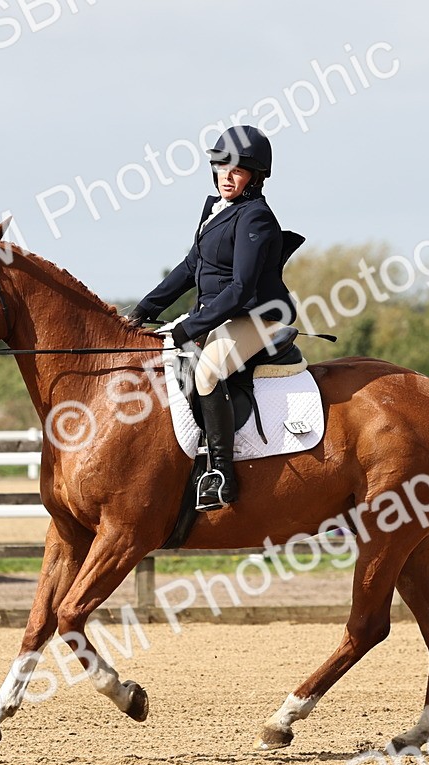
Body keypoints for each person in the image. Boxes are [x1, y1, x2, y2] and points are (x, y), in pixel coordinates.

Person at [125, 125, 301, 511]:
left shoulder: (256, 218)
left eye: (237, 170)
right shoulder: (215, 209)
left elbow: (240, 288)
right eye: (221, 165)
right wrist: (146, 309)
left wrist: (191, 326)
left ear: (254, 176)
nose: (226, 175)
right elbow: (191, 266)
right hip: (219, 313)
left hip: (257, 316)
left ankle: (221, 474)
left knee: (207, 372)